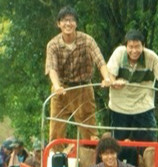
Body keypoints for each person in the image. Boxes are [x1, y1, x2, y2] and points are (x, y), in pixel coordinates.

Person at [45, 6, 112, 143]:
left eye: (71, 20)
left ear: (76, 23)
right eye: (64, 20)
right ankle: (56, 159)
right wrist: (57, 86)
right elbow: (52, 68)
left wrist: (106, 78)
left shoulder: (87, 40)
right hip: (62, 90)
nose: (68, 23)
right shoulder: (53, 44)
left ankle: (93, 159)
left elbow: (100, 61)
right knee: (55, 132)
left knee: (90, 132)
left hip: (83, 89)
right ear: (58, 24)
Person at [106, 29, 158, 144]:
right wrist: (113, 82)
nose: (134, 50)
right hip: (119, 106)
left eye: (137, 47)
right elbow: (109, 74)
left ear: (143, 46)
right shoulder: (119, 53)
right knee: (116, 145)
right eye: (130, 47)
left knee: (148, 146)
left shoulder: (151, 57)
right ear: (125, 46)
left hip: (143, 106)